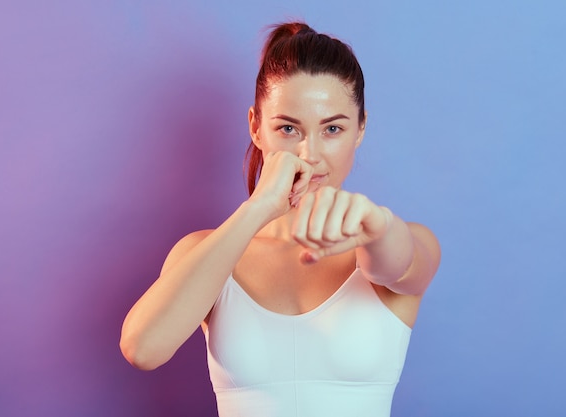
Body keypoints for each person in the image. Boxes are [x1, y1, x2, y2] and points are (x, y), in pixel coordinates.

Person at [120, 21, 441, 417]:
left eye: (332, 129)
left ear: (360, 129)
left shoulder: (402, 241)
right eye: (288, 128)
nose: (310, 153)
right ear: (256, 127)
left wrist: (377, 225)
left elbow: (397, 263)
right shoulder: (206, 252)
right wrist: (257, 209)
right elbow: (143, 348)